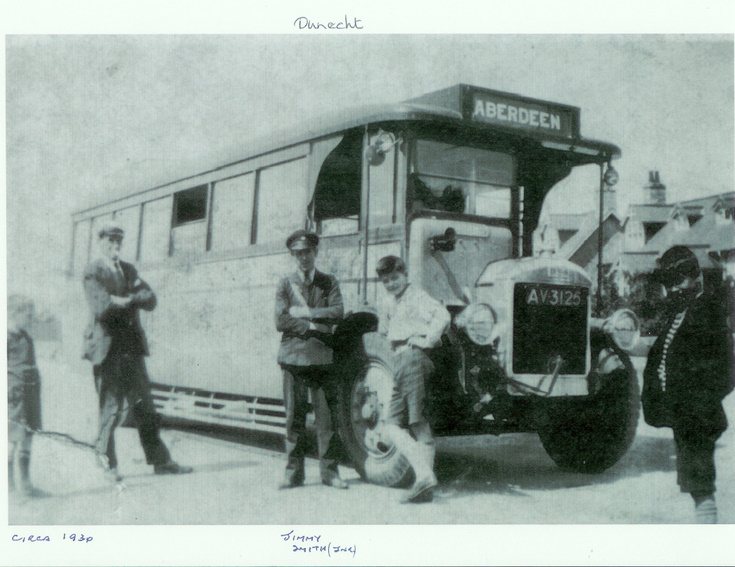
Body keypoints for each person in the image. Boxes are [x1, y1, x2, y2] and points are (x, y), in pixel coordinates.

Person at [83, 222, 192, 481]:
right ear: (100, 243)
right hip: (108, 352)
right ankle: (108, 465)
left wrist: (126, 299)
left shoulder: (129, 270)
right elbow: (102, 308)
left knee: (146, 408)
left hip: (131, 351)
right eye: (110, 241)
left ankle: (161, 462)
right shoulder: (93, 272)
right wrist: (127, 300)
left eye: (118, 242)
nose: (115, 246)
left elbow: (151, 299)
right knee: (110, 409)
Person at [642, 246, 734, 523]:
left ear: (693, 277)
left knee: (700, 479)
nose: (672, 289)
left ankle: (708, 538)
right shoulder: (682, 310)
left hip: (698, 413)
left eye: (677, 281)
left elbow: (726, 367)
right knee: (695, 479)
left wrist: (699, 399)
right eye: (670, 283)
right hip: (686, 412)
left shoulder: (707, 308)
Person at [275, 229, 348, 489]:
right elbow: (281, 319)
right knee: (294, 417)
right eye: (297, 253)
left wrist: (306, 312)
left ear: (316, 252)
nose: (302, 258)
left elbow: (338, 312)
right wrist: (314, 327)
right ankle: (293, 473)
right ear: (293, 255)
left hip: (321, 358)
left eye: (307, 252)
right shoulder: (286, 283)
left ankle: (330, 473)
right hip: (293, 357)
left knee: (327, 420)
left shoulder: (329, 282)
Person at [375, 255, 450, 503]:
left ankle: (424, 481)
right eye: (386, 281)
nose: (391, 284)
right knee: (393, 425)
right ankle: (424, 478)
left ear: (405, 275)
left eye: (395, 278)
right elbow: (384, 331)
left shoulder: (415, 295)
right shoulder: (390, 301)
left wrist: (427, 340)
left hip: (412, 358)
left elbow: (442, 316)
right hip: (401, 361)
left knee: (417, 423)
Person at [8, 295, 43, 497]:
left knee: (29, 436)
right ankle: (10, 489)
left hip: (31, 392)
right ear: (15, 313)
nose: (30, 319)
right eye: (27, 315)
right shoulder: (6, 336)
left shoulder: (26, 336)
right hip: (14, 394)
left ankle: (26, 484)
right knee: (12, 439)